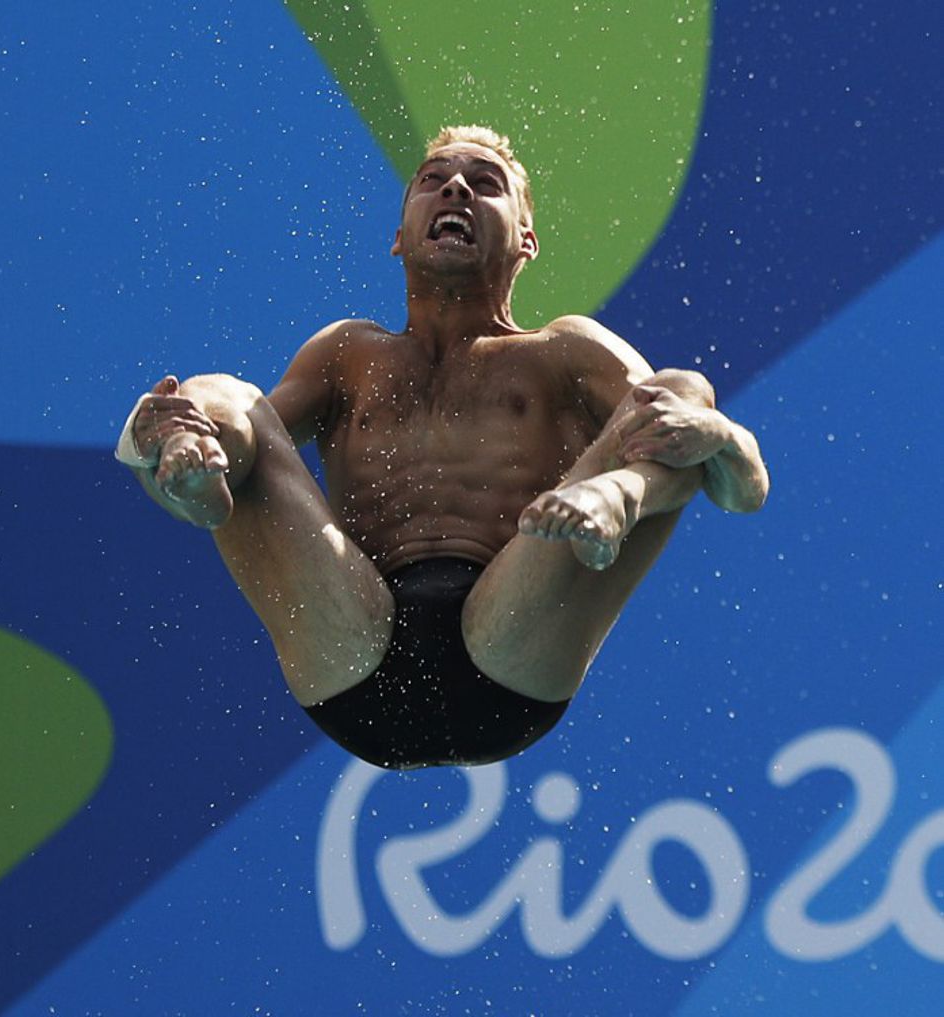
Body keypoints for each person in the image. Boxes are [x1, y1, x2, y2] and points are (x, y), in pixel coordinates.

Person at [116, 125, 768, 769]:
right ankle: (184, 474)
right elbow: (252, 438)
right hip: (351, 646)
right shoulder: (348, 354)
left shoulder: (564, 351)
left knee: (676, 395)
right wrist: (180, 431)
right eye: (433, 180)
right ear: (399, 237)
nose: (456, 187)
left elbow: (743, 490)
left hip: (512, 649)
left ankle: (619, 495)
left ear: (527, 240)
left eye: (485, 183)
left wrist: (721, 437)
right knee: (220, 396)